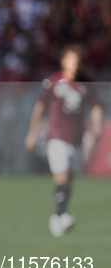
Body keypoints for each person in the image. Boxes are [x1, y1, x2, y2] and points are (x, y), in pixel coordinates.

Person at [25, 45, 103, 237]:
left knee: (69, 179)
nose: (74, 64)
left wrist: (97, 124)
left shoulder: (86, 84)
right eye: (71, 59)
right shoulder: (53, 82)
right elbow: (39, 107)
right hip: (56, 137)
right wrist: (33, 132)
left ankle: (59, 215)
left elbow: (96, 107)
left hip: (76, 138)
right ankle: (61, 215)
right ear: (63, 61)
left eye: (77, 60)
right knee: (62, 175)